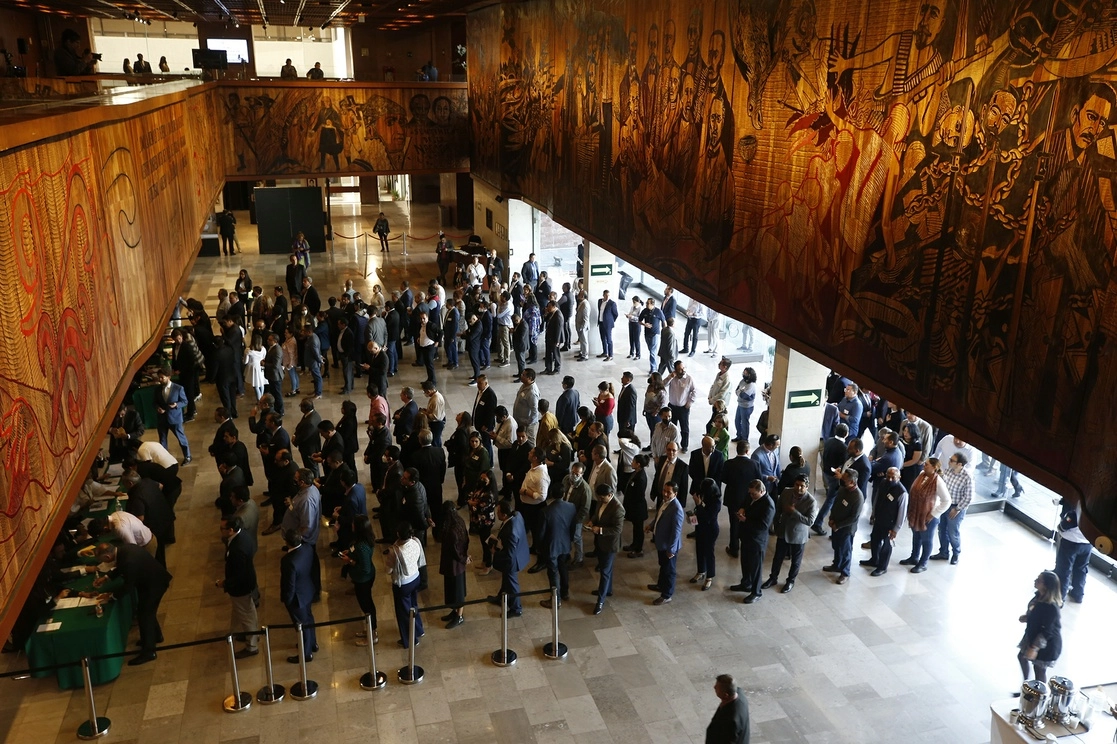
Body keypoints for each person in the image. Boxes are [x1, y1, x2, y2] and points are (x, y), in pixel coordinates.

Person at [92, 543, 172, 665]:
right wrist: (106, 578)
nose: (103, 562)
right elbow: (121, 567)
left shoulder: (128, 561)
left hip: (154, 585)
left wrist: (111, 597)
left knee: (145, 615)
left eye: (102, 560)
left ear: (107, 557)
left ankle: (149, 652)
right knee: (147, 612)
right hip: (152, 581)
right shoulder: (124, 549)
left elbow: (127, 587)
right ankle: (155, 636)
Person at [762, 474, 817, 594]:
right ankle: (773, 578)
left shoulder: (811, 501)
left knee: (795, 561)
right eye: (797, 485)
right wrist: (776, 526)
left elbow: (810, 521)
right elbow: (778, 510)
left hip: (798, 536)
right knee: (778, 557)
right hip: (783, 531)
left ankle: (790, 581)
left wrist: (794, 512)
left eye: (802, 486)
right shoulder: (786, 492)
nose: (799, 488)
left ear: (807, 487)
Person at [898, 458, 951, 574]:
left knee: (927, 540)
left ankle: (923, 563)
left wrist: (933, 514)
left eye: (926, 465)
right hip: (917, 512)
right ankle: (914, 557)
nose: (924, 466)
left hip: (928, 517)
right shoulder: (922, 474)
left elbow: (947, 501)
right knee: (916, 536)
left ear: (934, 467)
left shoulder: (938, 482)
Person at [217, 515, 259, 658]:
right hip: (245, 582)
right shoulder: (243, 536)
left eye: (222, 528)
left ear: (231, 530)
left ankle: (252, 646)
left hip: (241, 587)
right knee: (242, 610)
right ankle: (246, 633)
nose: (220, 531)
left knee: (247, 614)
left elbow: (239, 576)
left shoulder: (237, 549)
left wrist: (224, 584)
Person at [731, 479, 774, 602]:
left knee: (755, 568)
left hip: (757, 541)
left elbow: (763, 526)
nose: (751, 496)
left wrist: (745, 520)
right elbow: (745, 502)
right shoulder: (751, 496)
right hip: (746, 536)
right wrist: (742, 509)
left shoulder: (768, 504)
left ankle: (756, 592)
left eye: (754, 494)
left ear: (762, 491)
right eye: (750, 493)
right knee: (745, 562)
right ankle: (746, 583)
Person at [1017, 571, 1063, 683]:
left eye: (1039, 580)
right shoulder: (1038, 597)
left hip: (1046, 643)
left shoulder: (1051, 607)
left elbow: (1047, 631)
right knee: (1022, 657)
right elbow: (1036, 614)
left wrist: (1034, 648)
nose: (1035, 581)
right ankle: (1027, 684)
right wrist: (1028, 617)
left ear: (1046, 586)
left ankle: (1039, 690)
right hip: (1033, 635)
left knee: (1039, 669)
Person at [280, 530, 318, 662]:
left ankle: (306, 653)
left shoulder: (288, 561)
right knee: (309, 618)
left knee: (301, 625)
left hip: (297, 598)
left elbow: (289, 584)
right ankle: (312, 643)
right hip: (308, 590)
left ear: (287, 542)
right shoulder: (308, 549)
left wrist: (288, 600)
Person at [861, 467, 907, 576]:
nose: (890, 479)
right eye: (888, 476)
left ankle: (882, 567)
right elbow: (877, 498)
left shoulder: (902, 492)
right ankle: (874, 560)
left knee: (886, 546)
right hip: (879, 519)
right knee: (874, 540)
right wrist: (873, 513)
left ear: (899, 477)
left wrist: (896, 529)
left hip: (890, 523)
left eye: (893, 477)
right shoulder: (883, 483)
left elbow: (902, 513)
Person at [588, 483, 625, 615]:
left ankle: (600, 601)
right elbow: (598, 514)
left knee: (605, 572)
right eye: (599, 497)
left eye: (602, 498)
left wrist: (600, 530)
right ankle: (607, 590)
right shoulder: (601, 501)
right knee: (606, 569)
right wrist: (592, 521)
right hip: (600, 542)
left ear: (610, 495)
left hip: (609, 545)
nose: (600, 500)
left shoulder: (618, 509)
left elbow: (617, 529)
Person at [539, 485, 577, 608]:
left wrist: (540, 546)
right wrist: (570, 540)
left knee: (553, 572)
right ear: (563, 494)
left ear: (551, 494)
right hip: (565, 544)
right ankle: (565, 592)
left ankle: (556, 600)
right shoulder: (571, 507)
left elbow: (541, 533)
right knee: (563, 568)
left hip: (552, 546)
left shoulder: (546, 511)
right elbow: (573, 527)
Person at [388, 523, 426, 647]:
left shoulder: (394, 551)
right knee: (414, 605)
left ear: (398, 534)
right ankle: (419, 630)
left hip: (403, 584)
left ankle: (411, 640)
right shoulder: (416, 541)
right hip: (416, 578)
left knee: (403, 613)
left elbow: (388, 570)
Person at [490, 500, 529, 616]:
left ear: (504, 515)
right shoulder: (517, 515)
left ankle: (516, 609)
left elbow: (509, 554)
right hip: (520, 552)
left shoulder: (511, 531)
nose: (496, 513)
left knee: (512, 584)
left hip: (513, 561)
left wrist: (495, 553)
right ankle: (501, 598)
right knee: (506, 580)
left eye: (498, 512)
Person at [648, 480, 685, 604]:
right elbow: (659, 517)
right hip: (661, 543)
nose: (665, 494)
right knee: (663, 566)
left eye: (668, 492)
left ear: (675, 494)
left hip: (668, 546)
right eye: (664, 490)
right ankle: (660, 585)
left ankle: (667, 595)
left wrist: (671, 550)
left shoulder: (676, 509)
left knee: (669, 570)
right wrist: (651, 526)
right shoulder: (664, 502)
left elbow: (676, 532)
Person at [826, 469, 865, 584]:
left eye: (844, 479)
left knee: (845, 551)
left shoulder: (858, 497)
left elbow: (854, 518)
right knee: (836, 546)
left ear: (852, 482)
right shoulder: (843, 489)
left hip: (846, 529)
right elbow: (836, 504)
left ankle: (845, 572)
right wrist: (831, 518)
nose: (842, 480)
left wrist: (838, 525)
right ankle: (836, 565)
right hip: (836, 524)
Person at [933, 453, 973, 564]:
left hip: (956, 507)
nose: (949, 461)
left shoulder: (967, 477)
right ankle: (943, 552)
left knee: (952, 532)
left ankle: (956, 553)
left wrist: (957, 509)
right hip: (945, 504)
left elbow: (968, 497)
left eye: (952, 460)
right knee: (942, 529)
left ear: (960, 464)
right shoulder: (948, 471)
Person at [1053, 494, 1092, 603]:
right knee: (1081, 570)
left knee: (1064, 570)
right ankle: (1078, 594)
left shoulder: (1077, 510)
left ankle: (1060, 597)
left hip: (1070, 543)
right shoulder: (1097, 510)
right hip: (1087, 544)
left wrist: (1061, 526)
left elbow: (1064, 526)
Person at [439, 502, 470, 629]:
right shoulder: (459, 522)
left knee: (458, 592)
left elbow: (455, 551)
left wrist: (463, 558)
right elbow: (466, 540)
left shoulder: (452, 531)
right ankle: (455, 612)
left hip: (454, 565)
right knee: (453, 590)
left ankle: (459, 616)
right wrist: (465, 556)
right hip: (455, 564)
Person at [154, 367, 191, 464]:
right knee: (162, 440)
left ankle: (187, 456)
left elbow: (185, 401)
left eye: (162, 377)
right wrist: (158, 408)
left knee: (181, 438)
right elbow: (155, 402)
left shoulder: (178, 388)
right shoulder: (157, 389)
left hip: (175, 418)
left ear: (168, 377)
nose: (160, 379)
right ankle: (164, 458)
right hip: (162, 419)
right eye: (159, 377)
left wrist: (176, 405)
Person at [691, 477, 721, 591]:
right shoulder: (703, 496)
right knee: (699, 550)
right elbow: (698, 511)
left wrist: (699, 505)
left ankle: (709, 577)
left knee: (709, 553)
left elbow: (707, 517)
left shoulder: (716, 502)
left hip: (710, 529)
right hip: (700, 527)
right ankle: (701, 571)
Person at [706, 674, 751, 744]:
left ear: (725, 695)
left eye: (717, 688)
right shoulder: (739, 692)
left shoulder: (731, 720)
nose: (714, 687)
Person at [667, 360, 697, 450]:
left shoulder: (689, 379)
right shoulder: (672, 377)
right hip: (672, 407)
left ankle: (684, 445)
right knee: (671, 427)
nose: (683, 370)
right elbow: (663, 385)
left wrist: (690, 402)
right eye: (680, 369)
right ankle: (672, 443)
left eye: (683, 368)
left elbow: (694, 391)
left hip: (683, 408)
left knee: (684, 427)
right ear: (675, 370)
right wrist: (670, 377)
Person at [733, 367, 757, 443]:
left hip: (747, 407)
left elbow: (744, 395)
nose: (744, 374)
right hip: (740, 404)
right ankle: (739, 436)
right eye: (744, 373)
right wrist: (740, 391)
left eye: (746, 373)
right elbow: (737, 391)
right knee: (737, 421)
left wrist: (740, 392)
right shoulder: (742, 381)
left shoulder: (751, 385)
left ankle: (744, 439)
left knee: (744, 423)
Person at [597, 290, 618, 361]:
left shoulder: (612, 303)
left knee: (609, 340)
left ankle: (610, 355)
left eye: (608, 295)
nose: (607, 297)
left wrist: (610, 321)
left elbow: (615, 314)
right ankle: (605, 352)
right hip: (601, 322)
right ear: (603, 295)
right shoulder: (600, 301)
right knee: (603, 338)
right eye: (606, 295)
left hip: (608, 324)